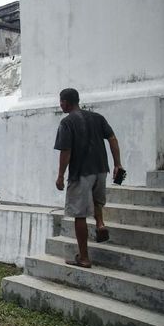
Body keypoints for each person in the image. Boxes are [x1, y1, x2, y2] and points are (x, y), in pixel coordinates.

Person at [54, 88, 123, 268]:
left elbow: (66, 151)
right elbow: (112, 138)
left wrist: (61, 175)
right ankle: (100, 224)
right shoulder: (97, 118)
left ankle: (84, 258)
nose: (60, 104)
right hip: (101, 169)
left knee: (80, 214)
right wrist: (118, 164)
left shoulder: (67, 123)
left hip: (80, 173)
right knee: (97, 200)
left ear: (66, 102)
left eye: (61, 101)